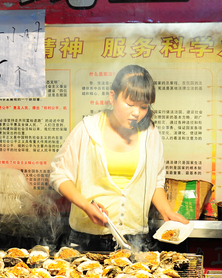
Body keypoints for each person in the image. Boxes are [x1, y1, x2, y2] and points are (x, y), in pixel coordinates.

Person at [49, 65, 188, 252]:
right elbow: (59, 174)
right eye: (130, 104)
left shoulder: (150, 134)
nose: (137, 113)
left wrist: (167, 212)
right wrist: (86, 205)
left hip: (136, 238)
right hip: (87, 238)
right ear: (112, 97)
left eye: (143, 107)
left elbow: (156, 182)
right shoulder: (88, 130)